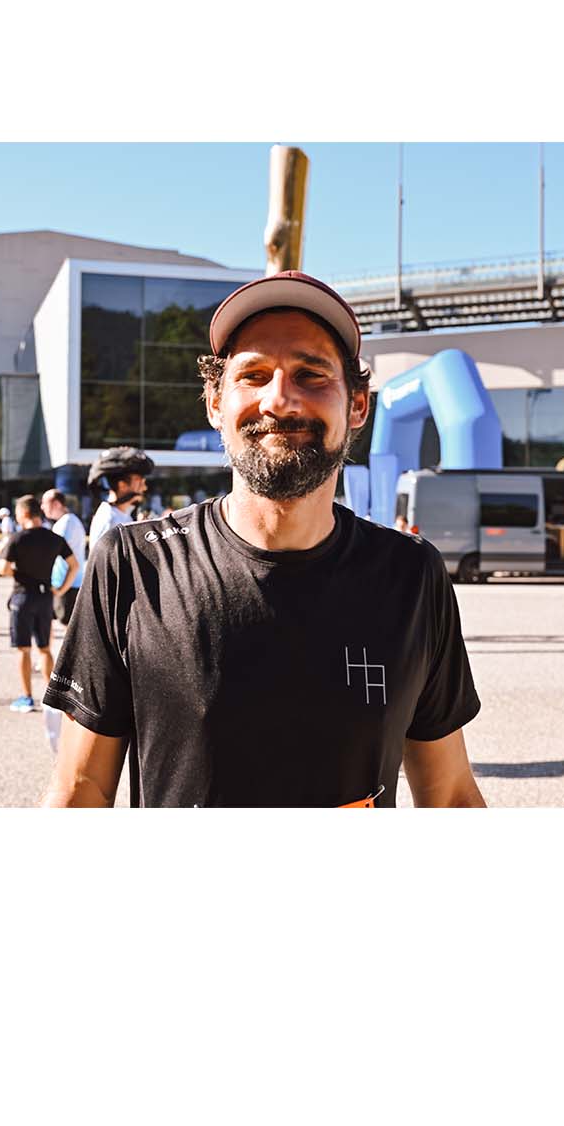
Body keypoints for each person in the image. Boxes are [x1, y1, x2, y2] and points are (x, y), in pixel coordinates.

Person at [42, 271, 485, 808]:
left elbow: (450, 793)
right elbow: (80, 787)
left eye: (311, 374)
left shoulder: (409, 575)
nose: (279, 400)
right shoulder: (135, 564)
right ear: (214, 404)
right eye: (253, 375)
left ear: (358, 406)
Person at [0, 495, 79, 713]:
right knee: (44, 648)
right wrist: (60, 589)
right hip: (45, 597)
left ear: (24, 513)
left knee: (23, 649)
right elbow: (74, 565)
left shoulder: (17, 538)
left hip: (23, 596)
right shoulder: (54, 538)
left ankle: (26, 697)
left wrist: (17, 571)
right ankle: (52, 699)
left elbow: (3, 569)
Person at [87, 448, 155, 550]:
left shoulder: (122, 515)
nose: (144, 487)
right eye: (139, 481)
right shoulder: (109, 520)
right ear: (122, 485)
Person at [40, 488, 87, 629]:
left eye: (45, 503)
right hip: (66, 584)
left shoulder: (67, 523)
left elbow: (54, 554)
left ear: (56, 504)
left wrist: (60, 590)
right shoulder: (67, 521)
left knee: (67, 631)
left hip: (66, 585)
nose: (42, 507)